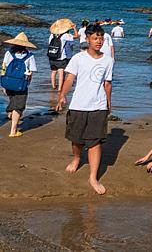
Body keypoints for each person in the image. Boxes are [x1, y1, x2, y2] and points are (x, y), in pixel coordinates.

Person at [55, 23, 114, 195]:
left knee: (95, 142)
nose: (99, 41)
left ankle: (93, 177)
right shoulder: (78, 59)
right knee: (77, 140)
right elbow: (69, 79)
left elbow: (107, 84)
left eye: (101, 38)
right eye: (95, 38)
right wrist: (61, 96)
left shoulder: (108, 60)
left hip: (99, 106)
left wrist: (109, 103)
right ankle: (76, 159)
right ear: (87, 39)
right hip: (78, 105)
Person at [1, 33, 37, 138]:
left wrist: (3, 84)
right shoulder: (30, 56)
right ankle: (13, 131)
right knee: (19, 106)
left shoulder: (8, 53)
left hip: (8, 81)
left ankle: (10, 113)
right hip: (21, 84)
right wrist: (28, 82)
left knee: (12, 100)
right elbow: (31, 72)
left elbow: (3, 68)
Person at [48, 19, 76, 91]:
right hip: (60, 57)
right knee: (61, 71)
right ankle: (60, 88)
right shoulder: (65, 35)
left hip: (51, 56)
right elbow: (76, 36)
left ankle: (53, 86)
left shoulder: (51, 35)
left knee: (53, 71)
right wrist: (74, 28)